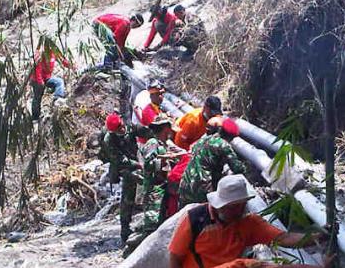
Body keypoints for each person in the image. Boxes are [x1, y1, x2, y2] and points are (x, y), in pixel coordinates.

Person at [169, 174, 331, 268]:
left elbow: (284, 238)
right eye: (234, 207)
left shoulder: (249, 222)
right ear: (222, 205)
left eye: (242, 205)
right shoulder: (196, 219)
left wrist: (318, 236)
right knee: (250, 265)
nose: (239, 210)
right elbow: (175, 256)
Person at [178, 117, 245, 207]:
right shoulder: (224, 145)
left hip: (185, 183)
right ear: (230, 137)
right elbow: (237, 168)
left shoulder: (203, 140)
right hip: (201, 188)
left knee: (183, 216)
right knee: (202, 217)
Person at [103, 112, 149, 243]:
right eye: (118, 129)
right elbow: (119, 159)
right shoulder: (109, 140)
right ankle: (125, 229)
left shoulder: (129, 126)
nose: (122, 129)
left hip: (136, 161)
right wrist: (138, 165)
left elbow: (146, 132)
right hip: (123, 167)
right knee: (128, 197)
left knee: (148, 186)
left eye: (121, 126)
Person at [139, 114, 184, 236]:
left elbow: (179, 152)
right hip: (154, 189)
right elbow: (147, 165)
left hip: (164, 186)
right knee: (152, 224)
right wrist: (164, 160)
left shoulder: (165, 143)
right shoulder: (152, 143)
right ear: (165, 128)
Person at [30, 45, 73, 120]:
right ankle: (35, 118)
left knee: (59, 82)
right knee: (37, 97)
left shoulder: (54, 52)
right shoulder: (41, 53)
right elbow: (37, 69)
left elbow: (62, 60)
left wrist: (71, 65)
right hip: (37, 79)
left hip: (46, 78)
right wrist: (40, 82)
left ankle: (57, 99)